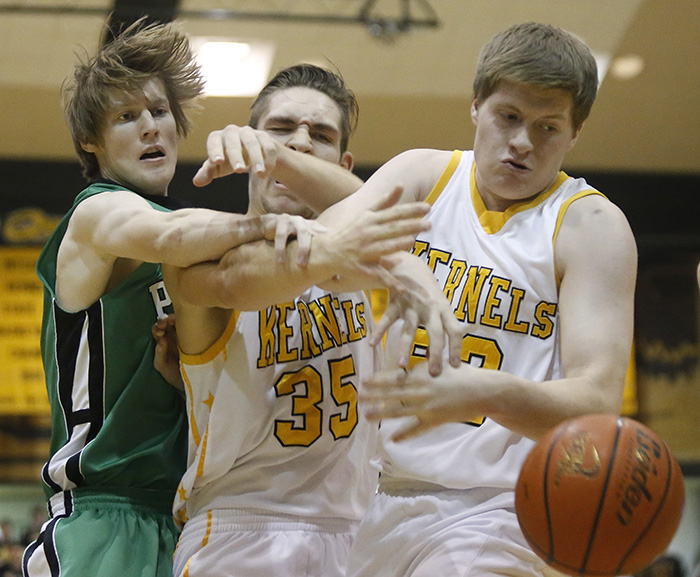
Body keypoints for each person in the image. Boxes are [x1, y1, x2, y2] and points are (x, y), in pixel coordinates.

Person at [21, 22, 392, 577]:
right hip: (103, 509)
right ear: (89, 143)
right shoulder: (98, 213)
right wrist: (288, 225)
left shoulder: (199, 234)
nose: (150, 128)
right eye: (127, 117)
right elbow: (171, 237)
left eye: (160, 113)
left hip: (177, 513)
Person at [336, 22, 638, 577]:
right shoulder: (424, 176)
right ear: (476, 106)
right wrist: (399, 263)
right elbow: (325, 250)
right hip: (383, 500)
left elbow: (596, 402)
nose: (523, 141)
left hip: (505, 511)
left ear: (574, 134)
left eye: (548, 127)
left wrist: (484, 391)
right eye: (509, 117)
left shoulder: (591, 225)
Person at [162, 64, 461, 577]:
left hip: (362, 530)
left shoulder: (376, 260)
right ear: (251, 148)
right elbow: (236, 276)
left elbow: (376, 204)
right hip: (241, 528)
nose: (298, 145)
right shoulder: (205, 252)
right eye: (280, 131)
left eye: (319, 136)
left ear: (340, 162)